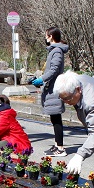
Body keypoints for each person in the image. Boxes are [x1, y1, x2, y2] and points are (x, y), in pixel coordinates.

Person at [32, 27, 69, 157]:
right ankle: (56, 144)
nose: (45, 37)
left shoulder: (57, 51)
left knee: (57, 118)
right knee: (54, 118)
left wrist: (41, 79)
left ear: (51, 36)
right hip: (51, 87)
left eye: (46, 35)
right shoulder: (54, 51)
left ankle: (60, 148)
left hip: (55, 88)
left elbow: (53, 70)